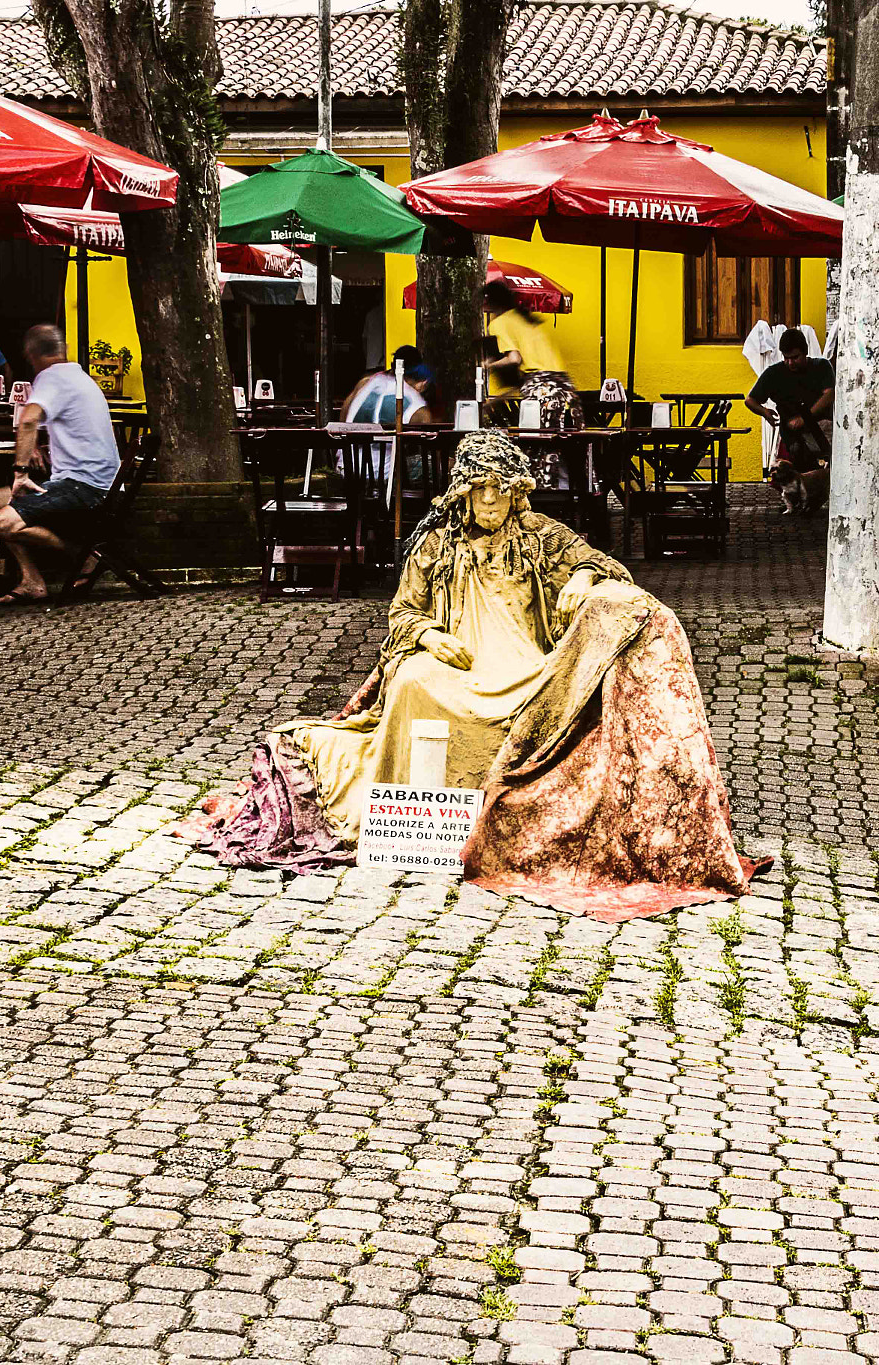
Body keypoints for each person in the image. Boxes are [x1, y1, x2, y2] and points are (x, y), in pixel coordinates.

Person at [177, 431, 765, 916]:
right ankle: (407, 817)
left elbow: (602, 566)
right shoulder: (436, 543)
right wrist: (430, 634)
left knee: (554, 698)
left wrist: (583, 582)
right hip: (454, 658)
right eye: (479, 492)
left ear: (517, 496)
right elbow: (403, 612)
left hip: (526, 664)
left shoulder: (542, 538)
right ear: (463, 495)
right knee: (411, 682)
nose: (489, 504)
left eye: (500, 493)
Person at [0, 325, 120, 606]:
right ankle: (32, 582)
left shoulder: (51, 377)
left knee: (3, 520)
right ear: (63, 349)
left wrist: (20, 472)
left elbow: (29, 419)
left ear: (30, 354)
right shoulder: (77, 376)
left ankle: (84, 556)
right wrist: (41, 446)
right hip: (94, 482)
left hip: (87, 488)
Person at [744, 326, 833, 515]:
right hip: (791, 436)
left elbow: (829, 394)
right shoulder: (774, 373)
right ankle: (797, 502)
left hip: (822, 430)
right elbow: (750, 400)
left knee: (824, 473)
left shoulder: (821, 367)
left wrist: (805, 418)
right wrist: (765, 412)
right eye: (786, 358)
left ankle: (815, 500)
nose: (790, 362)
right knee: (786, 471)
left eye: (795, 357)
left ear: (805, 352)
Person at [482, 281, 580, 432]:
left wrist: (487, 365)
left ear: (490, 301)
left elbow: (514, 359)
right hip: (566, 388)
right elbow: (526, 380)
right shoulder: (528, 319)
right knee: (571, 444)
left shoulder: (500, 323)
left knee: (540, 445)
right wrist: (496, 401)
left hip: (542, 393)